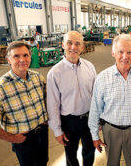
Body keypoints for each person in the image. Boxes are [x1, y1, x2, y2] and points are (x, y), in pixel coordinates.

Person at [0, 41, 48, 166]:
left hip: (42, 133)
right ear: (8, 59)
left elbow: (46, 101)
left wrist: (46, 119)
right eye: (16, 56)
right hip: (23, 140)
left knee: (43, 162)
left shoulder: (38, 78)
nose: (22, 60)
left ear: (30, 57)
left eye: (25, 55)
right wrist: (10, 137)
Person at [88, 34, 131, 166]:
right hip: (111, 130)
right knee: (112, 163)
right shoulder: (102, 78)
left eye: (129, 52)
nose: (125, 57)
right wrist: (94, 135)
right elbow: (95, 108)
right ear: (113, 52)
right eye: (120, 52)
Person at [47, 31, 96, 166]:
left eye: (77, 43)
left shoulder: (90, 67)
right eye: (69, 43)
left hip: (89, 118)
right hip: (69, 122)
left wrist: (98, 119)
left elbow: (96, 96)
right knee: (70, 154)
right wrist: (57, 130)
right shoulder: (55, 73)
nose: (73, 47)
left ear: (82, 47)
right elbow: (52, 104)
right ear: (63, 45)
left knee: (89, 151)